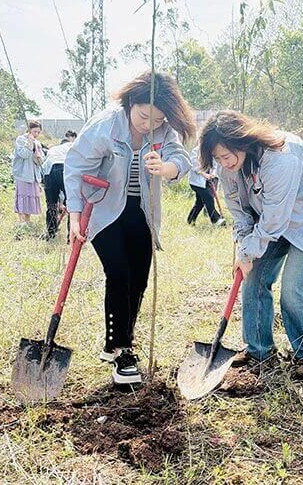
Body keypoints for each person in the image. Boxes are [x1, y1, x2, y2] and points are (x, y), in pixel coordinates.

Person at [64, 72, 195, 385]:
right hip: (104, 209)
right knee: (119, 273)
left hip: (142, 212)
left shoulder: (164, 130)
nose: (149, 124)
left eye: (158, 119)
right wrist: (74, 215)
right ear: (130, 103)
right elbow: (76, 166)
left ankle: (120, 340)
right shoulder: (105, 125)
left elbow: (180, 159)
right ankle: (122, 350)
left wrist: (166, 168)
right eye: (143, 116)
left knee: (138, 280)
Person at [199, 110, 303, 379]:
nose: (223, 163)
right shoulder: (226, 167)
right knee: (252, 279)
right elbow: (239, 211)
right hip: (270, 218)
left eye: (226, 155)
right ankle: (259, 350)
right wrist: (244, 248)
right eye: (217, 158)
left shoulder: (280, 157)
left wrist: (249, 251)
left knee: (294, 288)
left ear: (242, 141)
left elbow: (275, 219)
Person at [42, 130, 78, 240]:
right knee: (72, 204)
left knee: (51, 205)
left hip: (49, 172)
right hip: (64, 168)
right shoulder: (73, 145)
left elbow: (43, 166)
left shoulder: (53, 149)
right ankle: (71, 237)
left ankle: (51, 233)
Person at [12, 120, 45, 229]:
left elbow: (41, 161)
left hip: (33, 175)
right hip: (23, 174)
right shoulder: (21, 140)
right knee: (22, 196)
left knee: (30, 197)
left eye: (38, 132)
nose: (37, 134)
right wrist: (30, 143)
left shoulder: (37, 143)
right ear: (29, 130)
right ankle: (22, 222)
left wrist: (38, 156)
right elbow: (24, 154)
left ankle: (28, 220)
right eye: (35, 131)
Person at [187, 145, 226, 226]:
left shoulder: (211, 151)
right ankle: (216, 219)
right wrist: (204, 174)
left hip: (207, 182)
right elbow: (194, 164)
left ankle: (190, 220)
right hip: (197, 183)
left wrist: (213, 174)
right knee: (209, 198)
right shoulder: (196, 151)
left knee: (199, 203)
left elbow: (215, 164)